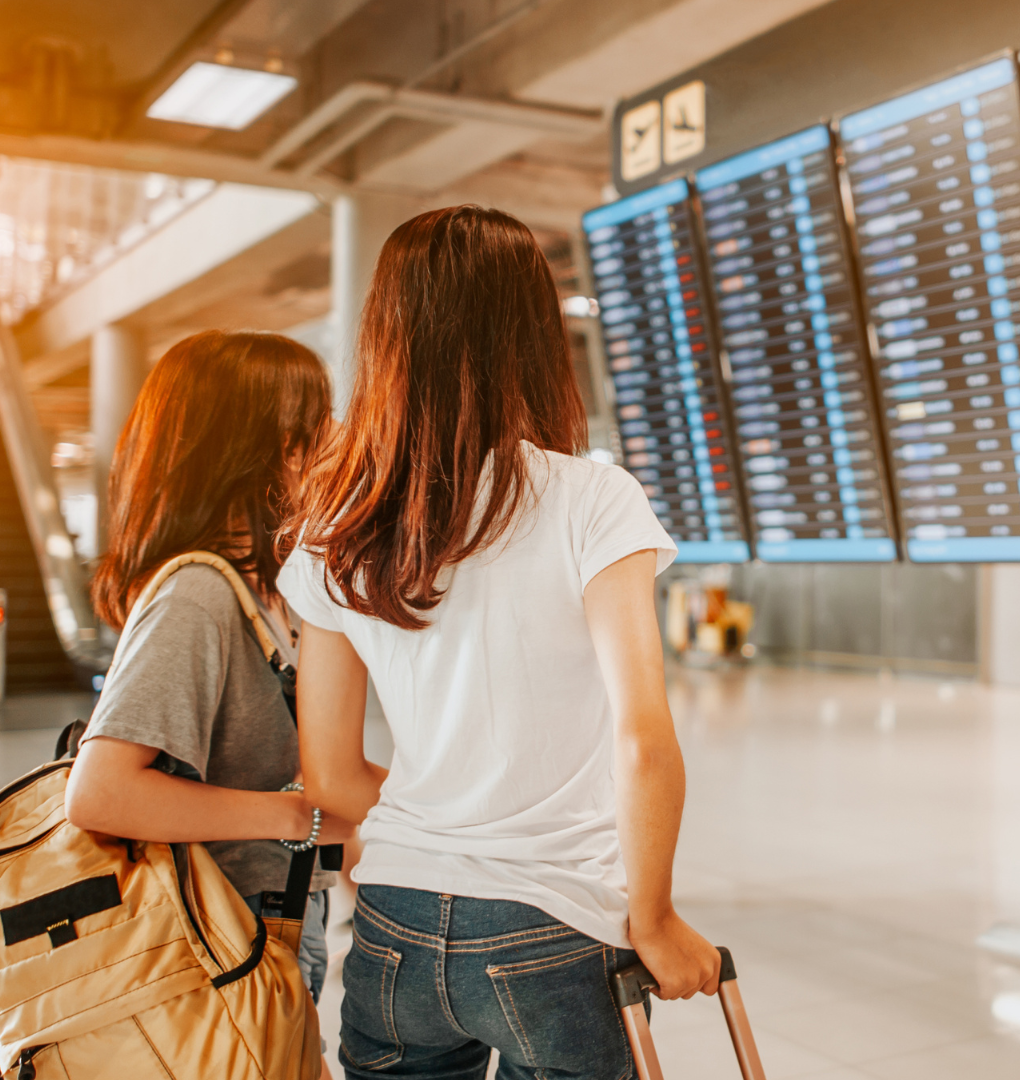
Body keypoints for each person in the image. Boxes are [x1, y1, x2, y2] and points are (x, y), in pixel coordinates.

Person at [282, 205, 720, 1080]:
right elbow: (642, 739)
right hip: (555, 926)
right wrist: (657, 918)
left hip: (393, 922)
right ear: (530, 333)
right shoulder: (593, 501)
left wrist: (441, 827)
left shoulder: (335, 528)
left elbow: (329, 778)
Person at [63, 330, 354, 1022]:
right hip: (215, 944)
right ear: (252, 455)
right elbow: (101, 792)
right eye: (310, 430)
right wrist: (294, 815)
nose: (334, 441)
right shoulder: (198, 594)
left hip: (267, 925)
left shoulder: (265, 595)